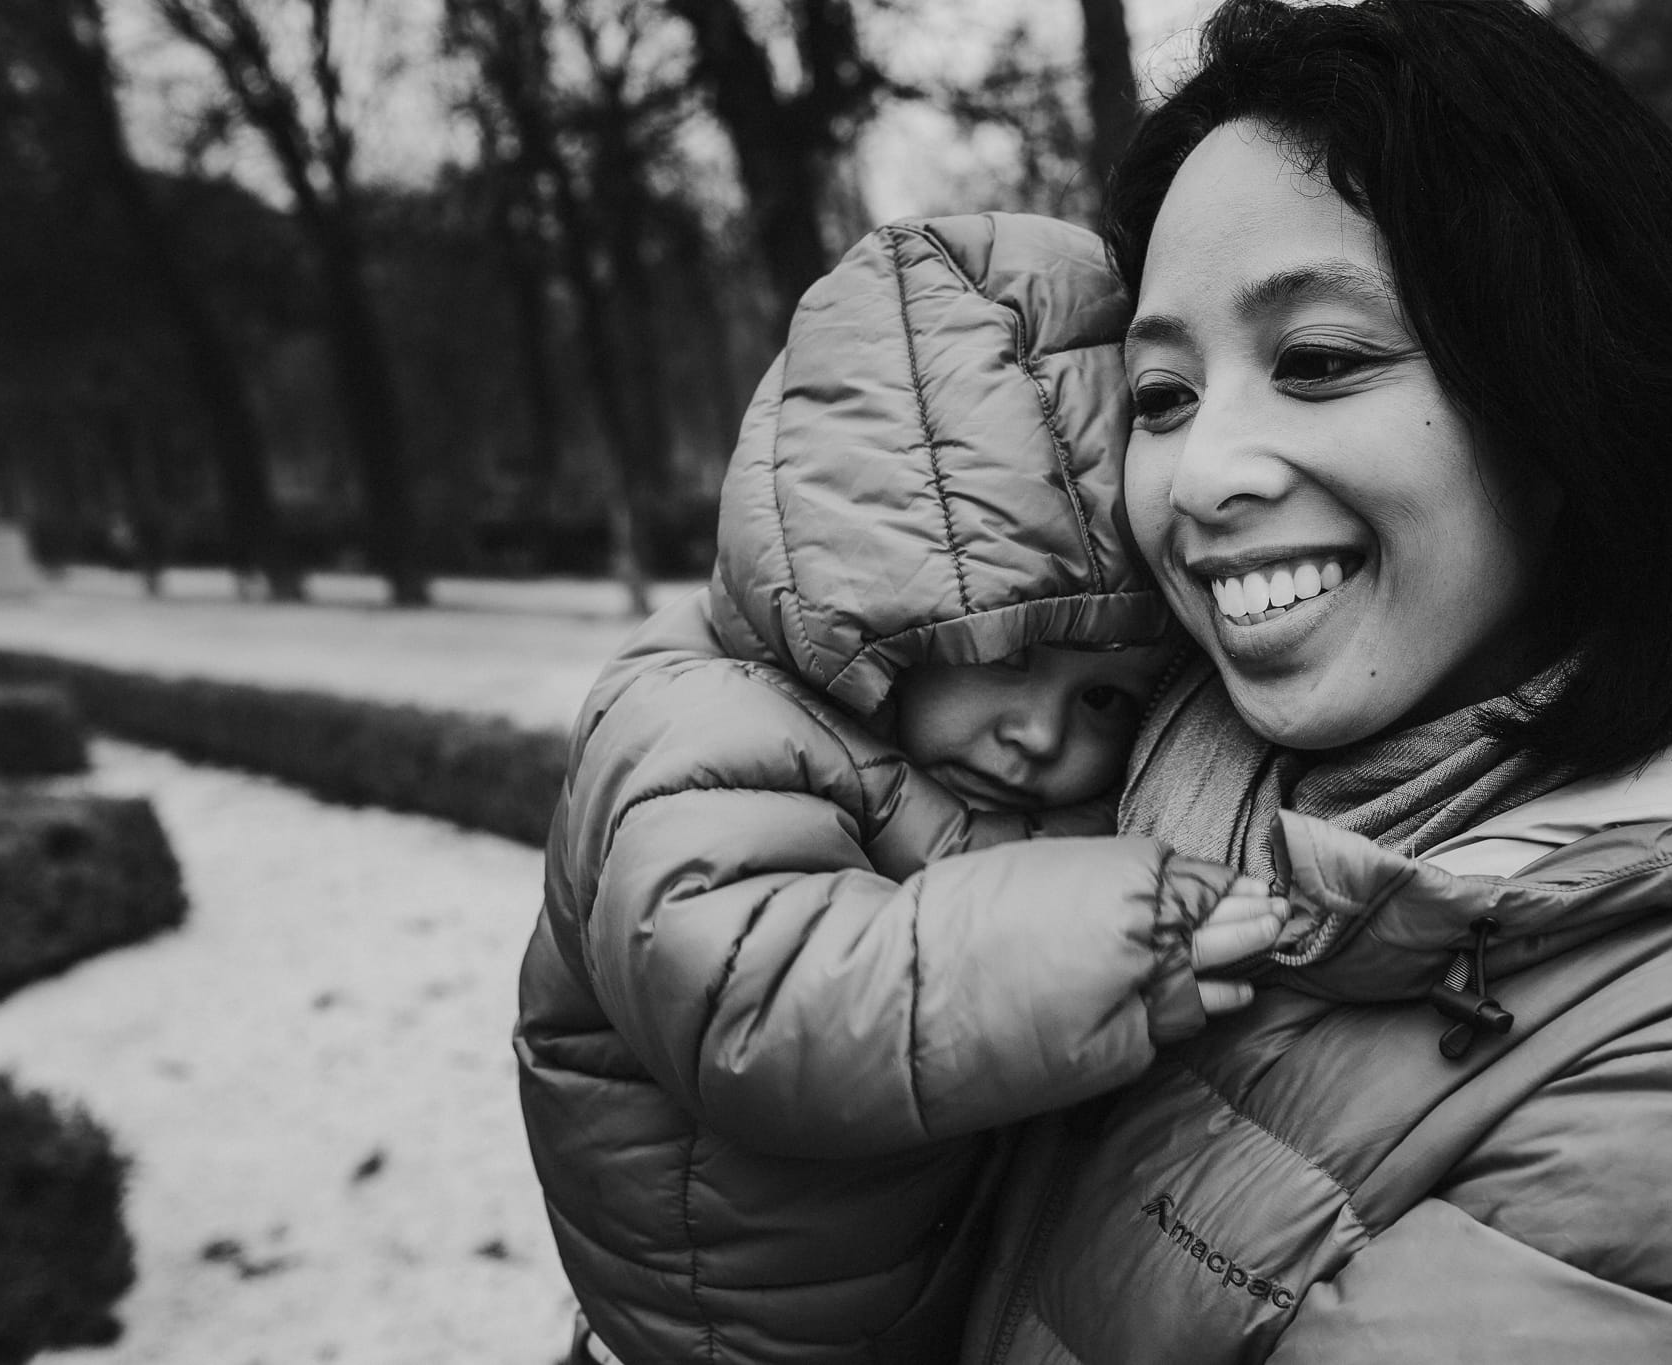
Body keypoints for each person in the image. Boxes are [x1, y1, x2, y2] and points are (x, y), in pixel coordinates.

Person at [959, 2, 1672, 1359]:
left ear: (1573, 397)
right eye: (1162, 395)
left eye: (1321, 360)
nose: (1202, 474)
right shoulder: (1115, 819)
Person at [515, 212, 1286, 1365]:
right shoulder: (695, 724)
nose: (1038, 735)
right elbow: (760, 999)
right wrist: (1123, 937)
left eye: (1107, 700)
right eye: (1009, 654)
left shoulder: (939, 747)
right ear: (871, 593)